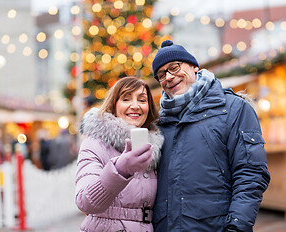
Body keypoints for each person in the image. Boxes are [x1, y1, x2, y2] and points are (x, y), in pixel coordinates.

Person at [151, 40, 270, 232]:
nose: (169, 77)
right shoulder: (158, 123)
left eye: (174, 68)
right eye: (161, 74)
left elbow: (250, 173)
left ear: (194, 66)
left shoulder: (234, 109)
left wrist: (237, 226)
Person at [75, 77, 164, 232]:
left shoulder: (156, 149)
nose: (135, 106)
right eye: (126, 98)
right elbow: (85, 201)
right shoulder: (95, 144)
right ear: (114, 105)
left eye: (142, 100)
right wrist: (121, 169)